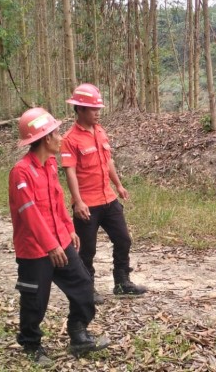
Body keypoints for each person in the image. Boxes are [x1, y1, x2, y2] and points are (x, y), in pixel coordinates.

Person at [9, 107, 109, 366]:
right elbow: (30, 214)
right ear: (45, 139)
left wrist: (69, 230)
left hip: (60, 242)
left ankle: (78, 333)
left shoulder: (51, 164)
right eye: (56, 133)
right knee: (35, 300)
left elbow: (57, 201)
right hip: (35, 250)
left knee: (84, 285)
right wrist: (51, 245)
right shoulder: (21, 172)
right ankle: (31, 344)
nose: (60, 137)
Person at [60, 83, 147, 302]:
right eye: (93, 109)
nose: (98, 113)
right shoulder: (70, 139)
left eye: (98, 108)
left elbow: (108, 162)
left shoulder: (100, 131)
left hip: (108, 199)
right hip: (87, 204)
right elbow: (70, 173)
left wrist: (118, 185)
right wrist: (78, 201)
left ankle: (122, 282)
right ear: (80, 109)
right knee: (87, 250)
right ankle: (86, 288)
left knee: (123, 240)